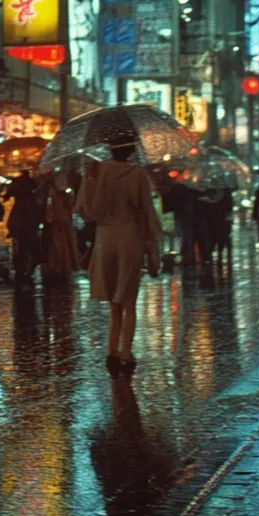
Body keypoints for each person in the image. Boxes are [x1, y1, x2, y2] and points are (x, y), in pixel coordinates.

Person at [77, 132, 161, 378]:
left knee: (113, 301)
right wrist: (152, 248)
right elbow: (147, 213)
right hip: (129, 237)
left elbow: (87, 212)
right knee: (128, 300)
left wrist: (90, 180)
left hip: (105, 239)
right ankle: (126, 352)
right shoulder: (137, 175)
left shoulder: (97, 171)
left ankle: (110, 350)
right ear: (131, 151)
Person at [4, 170, 44, 289]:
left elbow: (7, 196)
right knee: (30, 247)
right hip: (29, 218)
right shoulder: (33, 185)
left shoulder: (17, 184)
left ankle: (21, 271)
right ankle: (27, 270)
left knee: (22, 247)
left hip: (20, 219)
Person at [42, 173, 80, 282]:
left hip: (58, 224)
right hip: (65, 222)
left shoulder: (53, 194)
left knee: (58, 246)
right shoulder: (66, 195)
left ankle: (60, 268)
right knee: (64, 246)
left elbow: (49, 210)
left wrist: (51, 220)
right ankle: (65, 268)